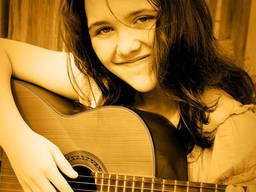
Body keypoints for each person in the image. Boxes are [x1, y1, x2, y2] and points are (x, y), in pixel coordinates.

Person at [0, 0, 256, 191]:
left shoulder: (234, 132)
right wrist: (19, 144)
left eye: (143, 19)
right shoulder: (99, 84)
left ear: (181, 15)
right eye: (104, 29)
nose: (126, 47)